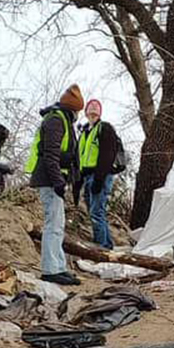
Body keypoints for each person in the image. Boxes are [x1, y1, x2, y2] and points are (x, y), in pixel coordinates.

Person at [26, 85, 84, 286]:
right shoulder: (56, 120)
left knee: (58, 225)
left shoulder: (61, 119)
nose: (78, 115)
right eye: (77, 111)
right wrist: (58, 182)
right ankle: (50, 270)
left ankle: (58, 267)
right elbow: (50, 155)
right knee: (53, 225)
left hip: (54, 180)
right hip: (49, 181)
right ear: (73, 109)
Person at [78, 99, 117, 249]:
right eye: (91, 106)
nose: (93, 107)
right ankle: (106, 244)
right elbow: (81, 157)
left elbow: (107, 155)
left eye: (97, 106)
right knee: (95, 211)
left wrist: (99, 180)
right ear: (85, 112)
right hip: (88, 176)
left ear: (100, 113)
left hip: (100, 175)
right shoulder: (85, 131)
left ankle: (102, 247)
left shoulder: (104, 128)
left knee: (96, 212)